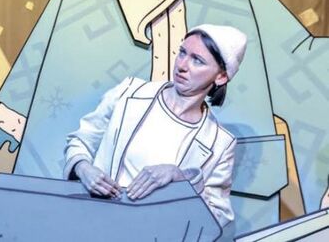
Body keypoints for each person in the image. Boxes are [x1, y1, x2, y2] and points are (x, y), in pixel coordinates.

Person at [63, 24, 247, 227]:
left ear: (221, 76)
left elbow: (218, 217)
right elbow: (82, 139)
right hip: (92, 223)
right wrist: (83, 168)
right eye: (182, 52)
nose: (182, 65)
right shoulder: (129, 91)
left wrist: (181, 178)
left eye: (197, 60)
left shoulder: (220, 143)